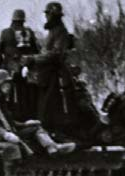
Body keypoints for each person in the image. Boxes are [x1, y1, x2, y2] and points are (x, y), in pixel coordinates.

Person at [26, 2, 75, 131]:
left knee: (51, 107)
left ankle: (57, 133)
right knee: (45, 107)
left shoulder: (60, 31)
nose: (46, 16)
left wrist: (33, 58)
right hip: (47, 75)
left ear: (54, 15)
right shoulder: (53, 31)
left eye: (48, 13)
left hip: (55, 74)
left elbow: (56, 54)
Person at [0, 9, 40, 122]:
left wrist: (0, 66)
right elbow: (37, 50)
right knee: (29, 94)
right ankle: (30, 117)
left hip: (11, 69)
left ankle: (16, 118)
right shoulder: (29, 32)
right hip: (28, 69)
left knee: (11, 95)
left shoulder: (6, 33)